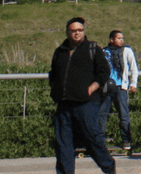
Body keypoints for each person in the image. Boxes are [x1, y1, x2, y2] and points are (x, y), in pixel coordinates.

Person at [48, 17, 115, 174]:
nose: (77, 33)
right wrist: (55, 89)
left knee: (92, 139)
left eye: (80, 30)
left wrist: (93, 87)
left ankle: (109, 167)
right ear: (67, 32)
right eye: (74, 31)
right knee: (63, 143)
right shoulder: (60, 51)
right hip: (64, 104)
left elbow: (104, 71)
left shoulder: (93, 49)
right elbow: (53, 73)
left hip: (86, 103)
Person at [101, 30, 138, 151]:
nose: (122, 40)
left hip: (121, 87)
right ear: (111, 39)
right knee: (102, 114)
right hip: (106, 87)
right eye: (119, 38)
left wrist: (133, 83)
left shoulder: (127, 51)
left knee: (123, 114)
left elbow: (133, 68)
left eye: (122, 38)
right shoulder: (104, 52)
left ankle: (126, 140)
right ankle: (100, 140)